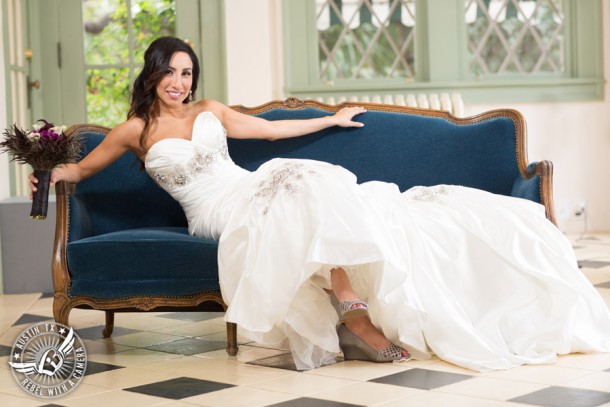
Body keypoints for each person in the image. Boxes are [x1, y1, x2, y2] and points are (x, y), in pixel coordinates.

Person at [31, 36, 610, 371]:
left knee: (308, 178)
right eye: (170, 73)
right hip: (213, 213)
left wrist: (329, 118)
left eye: (187, 72)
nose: (180, 83)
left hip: (248, 185)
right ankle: (350, 310)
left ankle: (351, 308)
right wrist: (49, 163)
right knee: (296, 191)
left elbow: (267, 135)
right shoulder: (134, 129)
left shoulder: (210, 109)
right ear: (152, 74)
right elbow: (82, 166)